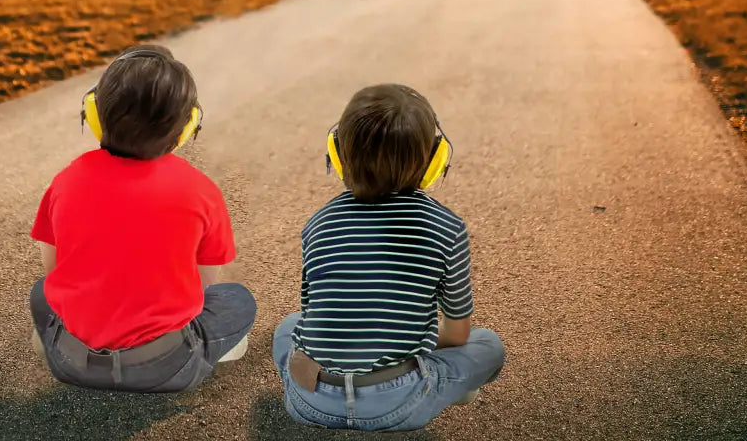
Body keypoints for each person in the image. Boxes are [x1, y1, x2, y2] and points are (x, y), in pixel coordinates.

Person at [273, 83, 505, 430]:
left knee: (287, 326)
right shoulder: (446, 226)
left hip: (310, 399)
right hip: (398, 402)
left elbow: (315, 315)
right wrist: (411, 333)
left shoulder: (317, 223)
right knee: (488, 344)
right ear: (434, 160)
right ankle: (442, 391)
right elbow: (457, 335)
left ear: (338, 154)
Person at [29, 44, 256, 392]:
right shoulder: (201, 190)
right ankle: (206, 353)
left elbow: (53, 273)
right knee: (236, 299)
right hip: (167, 368)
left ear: (95, 112)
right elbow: (205, 287)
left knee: (40, 293)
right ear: (186, 126)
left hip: (70, 362)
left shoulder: (66, 180)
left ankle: (53, 342)